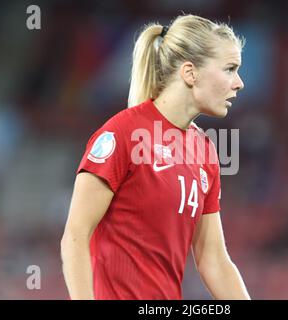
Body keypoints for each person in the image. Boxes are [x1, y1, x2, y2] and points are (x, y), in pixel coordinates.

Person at [61, 13, 250, 300]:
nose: (239, 83)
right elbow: (75, 235)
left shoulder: (205, 151)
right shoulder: (121, 134)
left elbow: (214, 259)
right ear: (190, 72)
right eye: (229, 69)